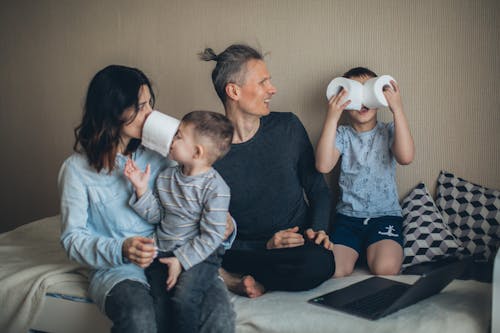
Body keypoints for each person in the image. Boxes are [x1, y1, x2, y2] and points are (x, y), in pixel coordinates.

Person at [58, 64, 235, 332]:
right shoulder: (76, 171)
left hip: (175, 255)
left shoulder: (163, 152)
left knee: (217, 315)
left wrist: (228, 225)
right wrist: (122, 248)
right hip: (119, 269)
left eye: (149, 103)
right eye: (140, 107)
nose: (151, 114)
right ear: (114, 112)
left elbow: (194, 198)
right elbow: (72, 240)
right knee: (140, 318)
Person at [200, 44, 335, 298]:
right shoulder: (208, 152)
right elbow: (210, 232)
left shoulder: (288, 127)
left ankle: (244, 280)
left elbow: (318, 190)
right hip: (247, 251)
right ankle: (230, 278)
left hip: (298, 248)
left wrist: (317, 231)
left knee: (321, 262)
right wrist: (266, 244)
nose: (272, 89)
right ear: (234, 91)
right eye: (263, 83)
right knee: (201, 253)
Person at [124, 110, 234, 333]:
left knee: (184, 298)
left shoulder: (216, 189)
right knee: (160, 305)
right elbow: (158, 216)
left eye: (179, 136)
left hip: (200, 256)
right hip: (162, 252)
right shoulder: (166, 177)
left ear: (196, 151)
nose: (171, 140)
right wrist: (141, 190)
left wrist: (181, 261)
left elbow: (212, 236)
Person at [315, 67, 415, 277]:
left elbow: (406, 157)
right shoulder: (342, 135)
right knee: (334, 269)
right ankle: (358, 251)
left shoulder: (388, 131)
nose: (362, 102)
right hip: (348, 219)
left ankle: (370, 250)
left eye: (368, 94)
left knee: (385, 269)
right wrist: (332, 117)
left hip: (384, 217)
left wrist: (398, 109)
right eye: (355, 95)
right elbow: (323, 166)